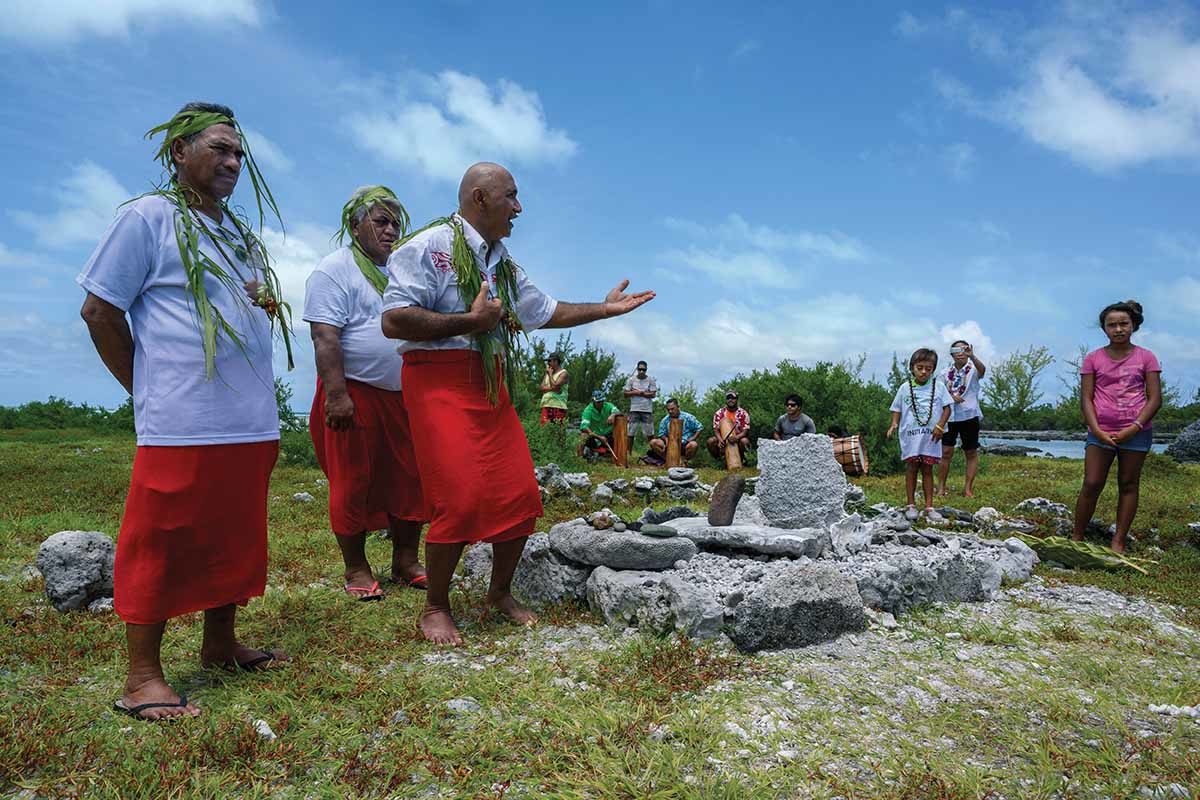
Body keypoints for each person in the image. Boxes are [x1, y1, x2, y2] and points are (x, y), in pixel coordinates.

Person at [78, 102, 291, 721]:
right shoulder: (148, 217)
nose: (233, 161)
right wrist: (143, 386)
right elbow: (100, 312)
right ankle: (143, 677)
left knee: (235, 534)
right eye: (220, 149)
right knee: (161, 539)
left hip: (248, 420)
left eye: (238, 153)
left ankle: (220, 643)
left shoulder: (238, 234)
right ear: (178, 152)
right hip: (182, 422)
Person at [381, 162, 654, 645]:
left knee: (520, 495)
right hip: (438, 383)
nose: (519, 207)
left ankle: (498, 594)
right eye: (511, 196)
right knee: (459, 498)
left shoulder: (502, 264)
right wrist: (470, 322)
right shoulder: (426, 248)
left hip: (489, 383)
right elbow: (395, 320)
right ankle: (436, 607)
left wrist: (605, 309)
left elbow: (547, 311)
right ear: (480, 198)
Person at [304, 186, 427, 602]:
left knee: (412, 478)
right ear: (355, 225)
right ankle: (356, 567)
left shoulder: (401, 270)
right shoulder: (334, 270)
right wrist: (336, 395)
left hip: (402, 395)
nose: (391, 230)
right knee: (352, 481)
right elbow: (325, 336)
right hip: (352, 392)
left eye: (395, 222)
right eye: (380, 221)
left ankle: (406, 560)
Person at [1072, 300, 1161, 553]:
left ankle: (1118, 541)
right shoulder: (1093, 358)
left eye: (1124, 324)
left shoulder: (1147, 357)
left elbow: (1155, 398)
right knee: (1091, 482)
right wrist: (1096, 429)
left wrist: (1134, 427)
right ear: (1104, 328)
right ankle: (1077, 537)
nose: (1118, 329)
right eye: (1112, 325)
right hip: (1100, 432)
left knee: (1129, 484)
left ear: (1133, 325)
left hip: (1137, 433)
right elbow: (1086, 398)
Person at [887, 348, 952, 523]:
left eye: (928, 369)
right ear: (912, 367)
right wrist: (894, 424)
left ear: (933, 369)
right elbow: (897, 408)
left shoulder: (938, 387)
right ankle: (911, 505)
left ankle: (929, 506)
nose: (924, 372)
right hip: (911, 436)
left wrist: (940, 425)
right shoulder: (904, 388)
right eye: (920, 367)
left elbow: (947, 408)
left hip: (931, 437)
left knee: (928, 469)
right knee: (912, 468)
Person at [937, 340, 986, 498]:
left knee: (970, 452)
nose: (960, 352)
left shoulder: (973, 370)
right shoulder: (944, 373)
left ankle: (967, 489)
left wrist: (973, 357)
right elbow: (938, 393)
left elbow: (982, 371)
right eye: (956, 349)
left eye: (964, 349)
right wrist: (951, 396)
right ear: (951, 353)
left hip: (969, 415)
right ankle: (941, 488)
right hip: (949, 416)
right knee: (946, 452)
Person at [648, 397, 702, 462]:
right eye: (668, 410)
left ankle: (684, 461)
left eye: (672, 409)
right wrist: (666, 440)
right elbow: (661, 434)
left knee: (693, 445)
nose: (670, 411)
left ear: (678, 407)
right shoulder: (665, 420)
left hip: (684, 444)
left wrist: (693, 438)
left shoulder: (688, 417)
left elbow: (700, 427)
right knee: (653, 442)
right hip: (670, 444)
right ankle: (668, 460)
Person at [706, 390, 751, 461]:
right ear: (726, 400)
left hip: (737, 439)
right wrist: (720, 440)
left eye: (733, 398)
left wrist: (736, 437)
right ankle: (719, 460)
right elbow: (716, 429)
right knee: (711, 441)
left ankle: (743, 459)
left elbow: (745, 431)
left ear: (737, 400)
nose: (730, 400)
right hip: (723, 439)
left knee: (745, 441)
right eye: (728, 398)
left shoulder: (743, 413)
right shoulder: (719, 413)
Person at [623, 360, 658, 449]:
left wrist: (643, 393)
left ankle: (654, 453)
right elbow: (625, 394)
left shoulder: (651, 380)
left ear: (646, 370)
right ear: (637, 369)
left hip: (647, 410)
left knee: (650, 433)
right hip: (634, 409)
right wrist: (635, 392)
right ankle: (628, 453)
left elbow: (653, 394)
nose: (641, 371)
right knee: (630, 433)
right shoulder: (631, 380)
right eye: (640, 369)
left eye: (644, 370)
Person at [578, 390, 620, 459]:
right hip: (595, 435)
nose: (601, 403)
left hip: (608, 435)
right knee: (583, 435)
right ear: (593, 401)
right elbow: (584, 427)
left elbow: (617, 411)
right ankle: (580, 457)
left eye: (602, 401)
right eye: (598, 402)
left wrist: (613, 414)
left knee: (620, 425)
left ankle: (607, 452)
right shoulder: (588, 410)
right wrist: (599, 437)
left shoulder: (608, 405)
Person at [538, 352, 569, 424]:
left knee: (557, 429)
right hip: (546, 404)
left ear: (556, 361)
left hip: (558, 406)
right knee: (545, 429)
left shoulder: (563, 373)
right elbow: (541, 388)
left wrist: (550, 375)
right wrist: (552, 388)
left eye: (549, 361)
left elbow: (555, 386)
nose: (548, 363)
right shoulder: (548, 373)